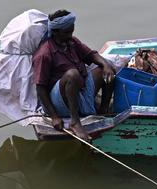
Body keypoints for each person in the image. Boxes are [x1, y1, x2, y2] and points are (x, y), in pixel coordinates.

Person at [32, 9, 116, 141]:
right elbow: (40, 88)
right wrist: (54, 117)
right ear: (55, 32)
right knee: (72, 74)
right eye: (66, 32)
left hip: (80, 90)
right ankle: (75, 121)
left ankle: (103, 110)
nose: (70, 35)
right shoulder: (44, 54)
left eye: (71, 31)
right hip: (60, 101)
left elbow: (91, 55)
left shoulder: (71, 42)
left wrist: (105, 66)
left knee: (107, 67)